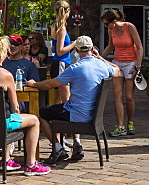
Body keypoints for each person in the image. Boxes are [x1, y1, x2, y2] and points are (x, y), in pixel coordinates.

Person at [28, 35, 119, 164]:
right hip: (94, 115)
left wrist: (34, 84)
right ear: (93, 49)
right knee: (66, 106)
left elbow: (50, 85)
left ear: (76, 50)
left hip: (76, 115)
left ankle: (58, 148)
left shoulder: (75, 68)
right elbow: (117, 71)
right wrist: (100, 57)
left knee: (41, 114)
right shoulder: (102, 65)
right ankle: (76, 143)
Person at [0, 37, 51, 176]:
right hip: (0, 124)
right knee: (34, 120)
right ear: (5, 53)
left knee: (7, 115)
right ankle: (31, 164)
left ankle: (7, 159)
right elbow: (15, 107)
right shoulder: (5, 75)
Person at [99, 8, 143, 136]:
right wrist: (100, 58)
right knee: (117, 95)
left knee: (129, 97)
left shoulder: (129, 27)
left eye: (107, 24)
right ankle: (120, 125)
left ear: (114, 21)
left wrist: (138, 67)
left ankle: (130, 122)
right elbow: (110, 46)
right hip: (118, 62)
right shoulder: (111, 30)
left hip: (131, 63)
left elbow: (139, 47)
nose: (106, 26)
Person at [49, 0, 76, 104]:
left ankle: (56, 119)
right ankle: (67, 119)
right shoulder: (61, 28)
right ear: (67, 11)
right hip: (62, 62)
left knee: (58, 99)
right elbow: (60, 51)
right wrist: (74, 44)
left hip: (57, 63)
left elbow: (53, 49)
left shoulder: (54, 25)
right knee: (66, 99)